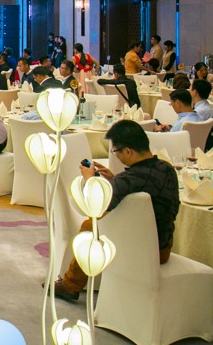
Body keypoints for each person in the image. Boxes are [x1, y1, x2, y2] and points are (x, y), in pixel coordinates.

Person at [54, 120, 179, 301]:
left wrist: (89, 179)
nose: (116, 155)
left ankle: (70, 284)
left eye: (115, 151)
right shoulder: (167, 168)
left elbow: (95, 208)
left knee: (90, 225)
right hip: (164, 246)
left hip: (139, 251)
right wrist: (114, 180)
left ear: (127, 151)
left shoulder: (127, 181)